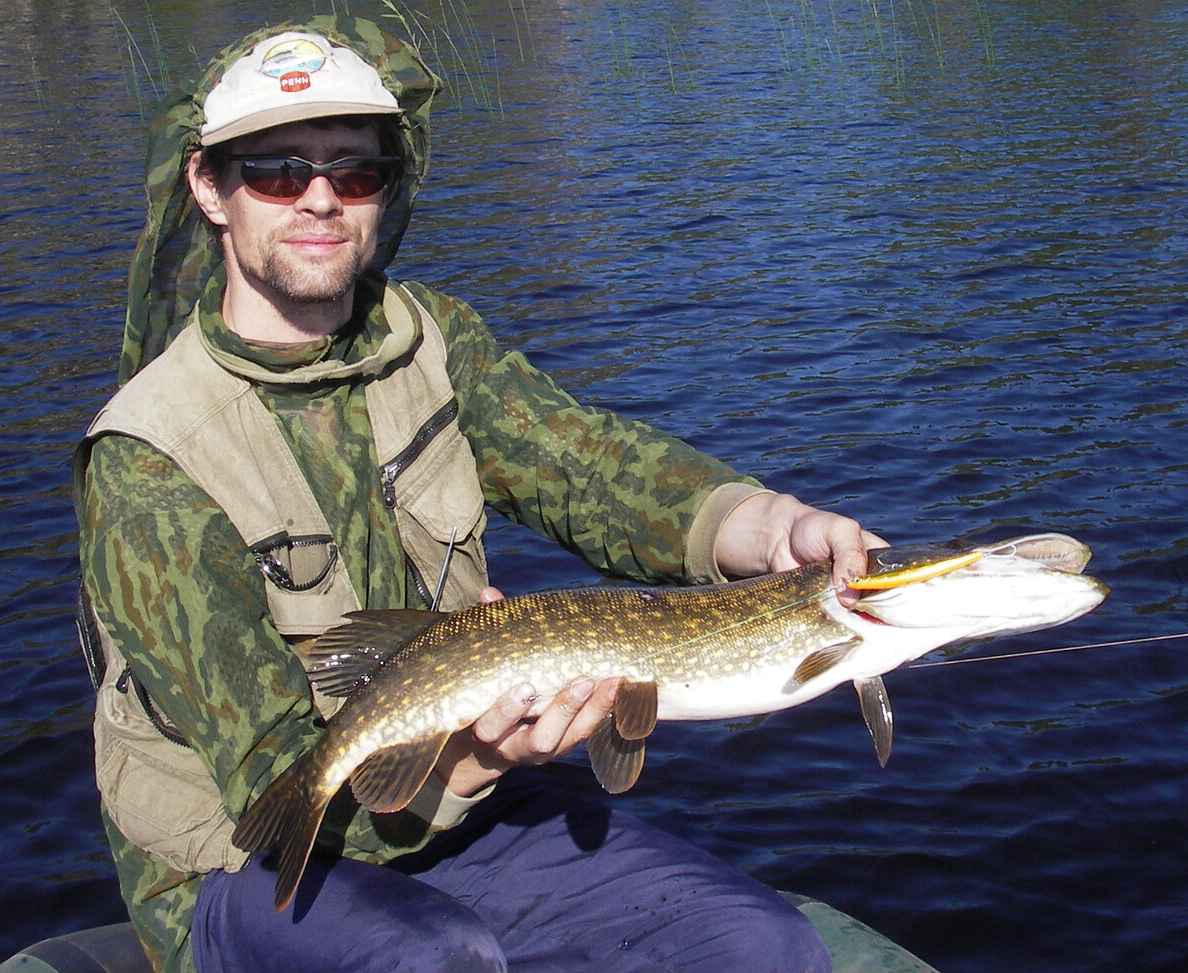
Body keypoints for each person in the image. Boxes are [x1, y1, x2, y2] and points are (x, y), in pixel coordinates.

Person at [74, 15, 880, 973]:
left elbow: (593, 467)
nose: (322, 200)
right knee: (440, 959)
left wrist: (769, 526)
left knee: (761, 942)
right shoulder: (148, 456)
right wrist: (476, 759)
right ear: (211, 187)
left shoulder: (432, 340)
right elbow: (270, 779)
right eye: (280, 170)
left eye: (354, 170)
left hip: (457, 795)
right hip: (245, 856)